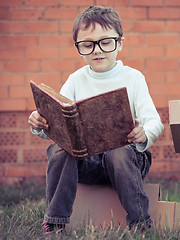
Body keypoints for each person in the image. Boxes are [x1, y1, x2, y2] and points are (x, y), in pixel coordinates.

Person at [28, 5, 164, 234]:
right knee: (59, 150)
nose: (97, 50)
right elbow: (61, 121)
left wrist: (145, 134)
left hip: (126, 162)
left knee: (118, 152)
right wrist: (41, 124)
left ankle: (141, 224)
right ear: (78, 47)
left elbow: (155, 123)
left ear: (120, 43)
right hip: (88, 163)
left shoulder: (133, 78)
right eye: (87, 44)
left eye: (106, 42)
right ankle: (55, 222)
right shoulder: (75, 80)